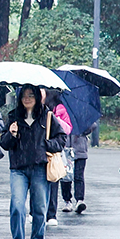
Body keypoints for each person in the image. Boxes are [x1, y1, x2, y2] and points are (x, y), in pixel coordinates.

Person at [0, 84, 66, 239]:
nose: (27, 99)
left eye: (31, 95)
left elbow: (61, 139)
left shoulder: (47, 116)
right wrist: (11, 134)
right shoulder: (13, 116)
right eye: (24, 96)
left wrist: (47, 145)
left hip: (39, 167)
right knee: (17, 206)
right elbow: (4, 144)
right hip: (18, 168)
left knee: (39, 207)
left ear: (37, 97)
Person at [43, 89, 72, 227]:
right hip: (37, 152)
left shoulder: (59, 109)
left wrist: (55, 120)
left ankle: (51, 213)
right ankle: (35, 212)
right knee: (36, 184)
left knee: (53, 180)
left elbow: (67, 129)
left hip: (52, 152)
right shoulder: (35, 109)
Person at [60, 121, 96, 215]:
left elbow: (93, 125)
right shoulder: (61, 111)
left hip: (80, 150)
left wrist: (82, 129)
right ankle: (67, 201)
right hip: (65, 149)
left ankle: (79, 200)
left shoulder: (81, 113)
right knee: (65, 176)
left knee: (79, 176)